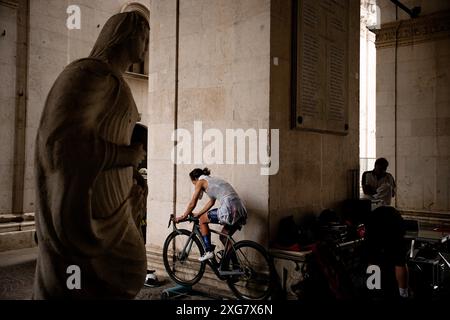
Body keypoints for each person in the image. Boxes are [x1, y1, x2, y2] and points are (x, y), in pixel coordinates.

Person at [33, 12, 149, 299]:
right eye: (144, 37)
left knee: (124, 276)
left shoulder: (112, 79)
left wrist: (130, 173)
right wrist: (125, 156)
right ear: (125, 35)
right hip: (90, 213)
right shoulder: (89, 73)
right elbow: (61, 144)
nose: (146, 47)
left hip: (113, 208)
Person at [174, 168, 247, 262]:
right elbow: (211, 202)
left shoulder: (200, 181)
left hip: (230, 207)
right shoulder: (211, 181)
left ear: (195, 179)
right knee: (224, 237)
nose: (195, 186)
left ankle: (209, 251)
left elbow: (193, 203)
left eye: (194, 184)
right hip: (240, 209)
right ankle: (236, 267)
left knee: (202, 220)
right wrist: (198, 214)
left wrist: (183, 216)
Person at [365, 206, 409, 299]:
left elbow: (372, 262)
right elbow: (400, 265)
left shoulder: (374, 224)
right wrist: (403, 293)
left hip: (378, 285)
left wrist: (373, 288)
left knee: (373, 259)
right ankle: (402, 293)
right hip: (391, 286)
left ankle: (374, 291)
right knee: (399, 261)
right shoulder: (396, 236)